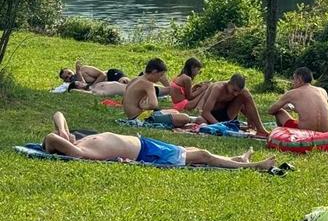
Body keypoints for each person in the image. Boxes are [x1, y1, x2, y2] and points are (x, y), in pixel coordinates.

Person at [41, 111, 277, 170]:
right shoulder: (80, 151)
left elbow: (58, 114)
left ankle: (235, 158)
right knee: (202, 154)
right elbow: (50, 139)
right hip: (147, 154)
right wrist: (60, 137)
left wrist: (63, 130)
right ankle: (253, 167)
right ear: (64, 147)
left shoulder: (80, 140)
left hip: (145, 143)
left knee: (192, 148)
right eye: (65, 140)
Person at [123, 59, 194, 127]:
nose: (160, 78)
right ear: (154, 72)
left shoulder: (135, 79)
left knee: (173, 111)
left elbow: (124, 100)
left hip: (131, 116)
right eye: (160, 75)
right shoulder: (148, 84)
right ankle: (193, 120)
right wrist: (143, 106)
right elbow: (154, 105)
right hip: (141, 118)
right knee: (185, 118)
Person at [198, 74, 270, 137]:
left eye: (238, 92)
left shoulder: (238, 92)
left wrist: (250, 119)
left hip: (227, 116)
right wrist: (220, 126)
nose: (235, 94)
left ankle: (260, 129)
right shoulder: (218, 88)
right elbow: (205, 112)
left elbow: (241, 105)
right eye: (234, 90)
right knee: (200, 120)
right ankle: (224, 125)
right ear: (229, 83)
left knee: (246, 93)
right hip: (212, 117)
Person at [268, 67, 328, 132]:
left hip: (305, 134)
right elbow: (324, 107)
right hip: (325, 133)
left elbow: (271, 110)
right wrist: (292, 107)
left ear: (299, 79)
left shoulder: (293, 93)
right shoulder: (322, 91)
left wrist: (284, 105)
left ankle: (281, 137)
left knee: (279, 112)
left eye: (294, 78)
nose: (292, 82)